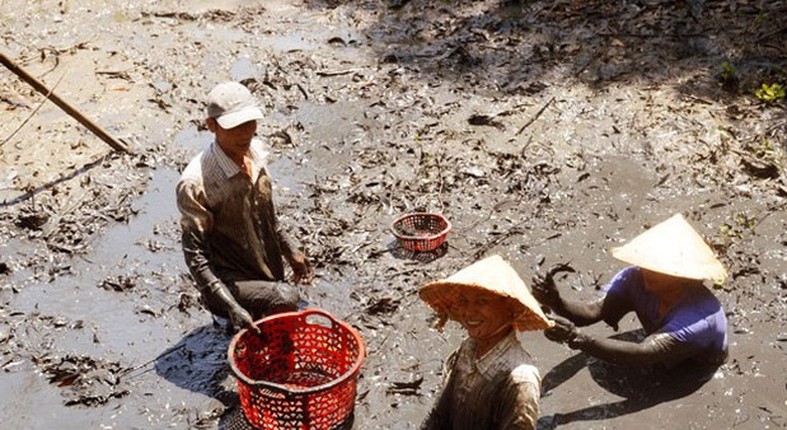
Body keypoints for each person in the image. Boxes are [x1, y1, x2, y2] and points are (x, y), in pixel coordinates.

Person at [176, 81, 314, 333]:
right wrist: (230, 306)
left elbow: (268, 216)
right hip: (228, 282)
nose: (246, 133)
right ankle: (235, 313)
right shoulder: (196, 183)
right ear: (212, 126)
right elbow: (195, 257)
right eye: (235, 126)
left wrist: (291, 250)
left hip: (262, 267)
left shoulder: (257, 153)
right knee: (285, 297)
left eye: (250, 123)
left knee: (289, 303)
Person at [533, 213, 728, 369]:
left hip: (696, 363)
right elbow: (593, 311)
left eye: (659, 268)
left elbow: (644, 354)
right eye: (647, 263)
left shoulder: (698, 318)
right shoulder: (633, 278)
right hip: (660, 342)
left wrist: (577, 337)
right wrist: (555, 301)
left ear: (683, 276)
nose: (647, 271)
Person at [419, 254, 553, 430]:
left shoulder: (519, 379)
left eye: (482, 301)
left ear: (510, 308)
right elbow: (440, 413)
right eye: (464, 301)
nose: (469, 311)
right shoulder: (468, 347)